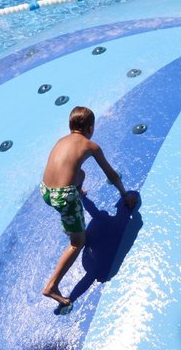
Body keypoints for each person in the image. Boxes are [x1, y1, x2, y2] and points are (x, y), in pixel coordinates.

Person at [40, 106, 137, 314]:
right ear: (90, 128)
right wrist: (124, 195)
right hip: (63, 197)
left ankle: (76, 198)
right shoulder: (90, 145)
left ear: (70, 126)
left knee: (80, 174)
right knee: (78, 242)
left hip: (46, 190)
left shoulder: (61, 141)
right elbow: (111, 174)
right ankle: (52, 286)